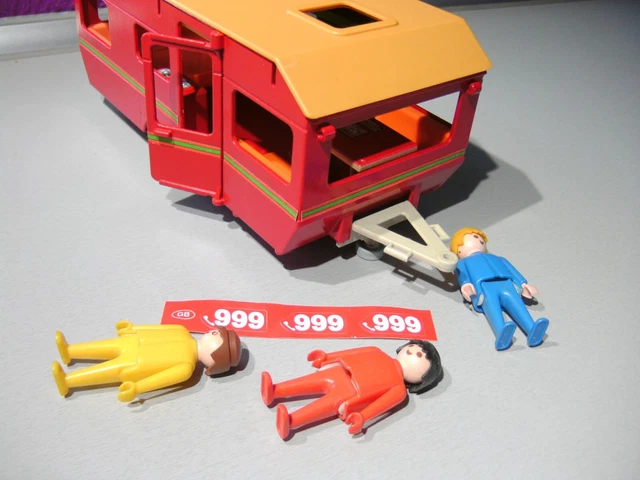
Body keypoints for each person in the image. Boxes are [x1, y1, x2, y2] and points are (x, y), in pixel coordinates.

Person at [261, 340, 442, 439]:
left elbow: (380, 406)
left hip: (351, 394)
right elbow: (351, 353)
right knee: (306, 382)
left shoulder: (399, 390)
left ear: (422, 379)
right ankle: (275, 390)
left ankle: (291, 421)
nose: (415, 353)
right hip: (341, 371)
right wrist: (327, 357)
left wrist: (362, 417)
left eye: (421, 356)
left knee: (321, 408)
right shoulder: (377, 351)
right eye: (414, 348)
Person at [52, 322, 241, 402]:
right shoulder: (183, 331)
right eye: (215, 332)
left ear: (214, 364)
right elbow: (159, 329)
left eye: (216, 337)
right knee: (102, 346)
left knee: (106, 371)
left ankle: (68, 381)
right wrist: (134, 328)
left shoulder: (186, 368)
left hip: (135, 365)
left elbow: (161, 379)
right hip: (134, 342)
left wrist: (137, 388)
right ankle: (69, 351)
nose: (211, 334)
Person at [450, 227, 549, 350]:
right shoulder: (462, 263)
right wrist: (466, 286)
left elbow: (513, 271)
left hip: (506, 284)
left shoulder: (498, 258)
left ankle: (532, 328)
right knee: (493, 309)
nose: (477, 241)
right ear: (457, 250)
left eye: (480, 239)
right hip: (484, 287)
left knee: (518, 306)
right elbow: (462, 276)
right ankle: (501, 333)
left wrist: (523, 284)